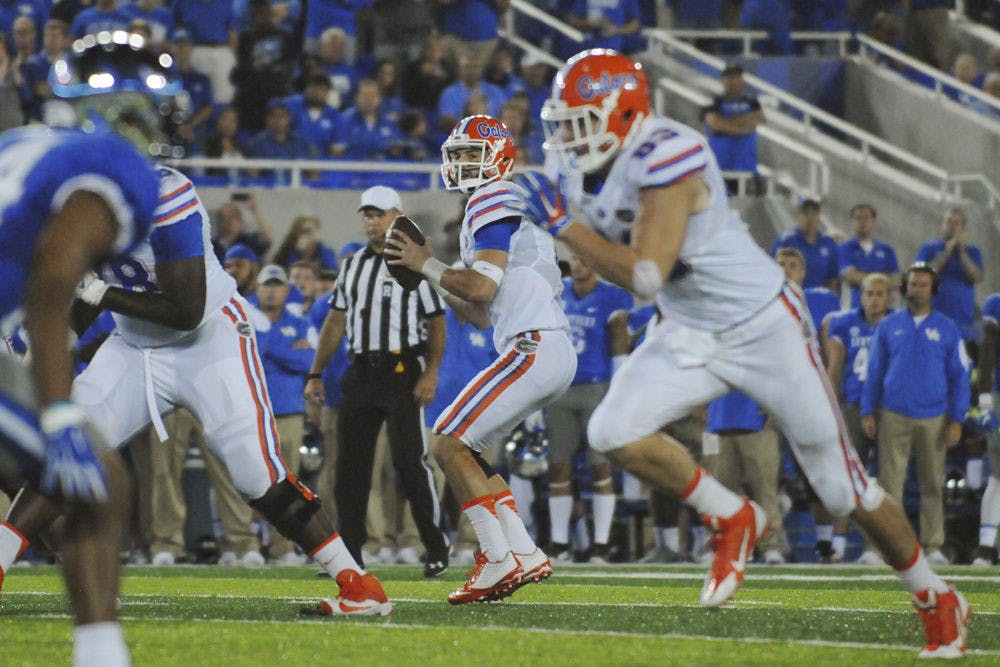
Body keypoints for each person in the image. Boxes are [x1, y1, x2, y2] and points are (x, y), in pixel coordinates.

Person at [518, 49, 969, 657]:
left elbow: (647, 275)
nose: (569, 136)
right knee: (612, 429)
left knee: (844, 491)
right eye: (563, 122)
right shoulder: (583, 166)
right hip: (689, 331)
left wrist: (561, 226)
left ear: (623, 113)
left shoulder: (667, 155)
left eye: (580, 120)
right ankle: (732, 516)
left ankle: (935, 596)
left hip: (763, 331)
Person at [0, 93, 393, 619]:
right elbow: (79, 300)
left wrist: (98, 294)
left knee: (258, 476)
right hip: (134, 344)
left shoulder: (166, 195)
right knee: (66, 449)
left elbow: (184, 309)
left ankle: (358, 585)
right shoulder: (68, 203)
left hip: (209, 339)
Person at [0, 34, 167, 667]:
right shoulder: (114, 167)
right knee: (100, 482)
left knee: (103, 480)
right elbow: (51, 282)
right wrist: (62, 409)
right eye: (144, 109)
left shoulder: (23, 142)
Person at [384, 114, 576, 604]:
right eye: (460, 155)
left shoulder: (494, 196)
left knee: (446, 440)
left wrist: (426, 262)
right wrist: (428, 269)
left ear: (498, 156)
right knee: (463, 448)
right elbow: (479, 313)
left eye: (474, 153)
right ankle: (524, 551)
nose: (465, 164)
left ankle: (495, 557)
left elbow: (481, 285)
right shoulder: (492, 206)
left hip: (534, 345)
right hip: (535, 344)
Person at [304, 185, 451, 578]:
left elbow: (437, 323)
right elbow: (335, 322)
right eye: (367, 214)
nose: (372, 221)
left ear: (397, 216)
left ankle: (435, 547)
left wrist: (431, 372)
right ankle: (350, 552)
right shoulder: (351, 265)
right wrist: (316, 372)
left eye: (379, 214)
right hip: (362, 372)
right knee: (350, 468)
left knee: (409, 463)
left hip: (404, 370)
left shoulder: (415, 262)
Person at [861, 263, 970, 567]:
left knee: (932, 484)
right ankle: (880, 548)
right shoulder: (888, 325)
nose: (916, 289)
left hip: (935, 416)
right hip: (893, 413)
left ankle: (933, 545)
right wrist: (868, 409)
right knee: (888, 485)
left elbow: (961, 375)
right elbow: (874, 370)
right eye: (911, 284)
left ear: (933, 290)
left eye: (922, 285)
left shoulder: (948, 328)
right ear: (904, 288)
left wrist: (957, 418)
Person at [547, 254, 632, 564]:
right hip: (560, 386)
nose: (579, 264)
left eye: (584, 260)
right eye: (575, 260)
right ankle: (559, 543)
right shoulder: (557, 291)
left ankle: (601, 543)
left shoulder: (612, 296)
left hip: (596, 388)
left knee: (601, 467)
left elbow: (619, 343)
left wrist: (619, 393)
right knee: (558, 467)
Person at [824, 272, 892, 564]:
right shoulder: (845, 323)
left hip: (888, 407)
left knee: (886, 480)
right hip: (853, 404)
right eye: (869, 293)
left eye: (879, 294)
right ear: (860, 295)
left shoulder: (896, 324)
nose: (874, 299)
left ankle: (875, 548)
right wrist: (830, 404)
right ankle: (837, 544)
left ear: (888, 297)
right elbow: (835, 368)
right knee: (848, 476)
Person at [254, 264, 316, 564]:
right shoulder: (247, 318)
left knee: (287, 485)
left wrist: (269, 348)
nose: (271, 290)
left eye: (277, 285)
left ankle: (282, 548)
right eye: (266, 284)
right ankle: (243, 547)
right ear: (258, 288)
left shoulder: (300, 322)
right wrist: (288, 350)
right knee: (247, 482)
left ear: (286, 290)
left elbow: (308, 361)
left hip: (289, 414)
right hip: (253, 413)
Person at [915, 207, 984, 342]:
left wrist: (962, 253)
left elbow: (976, 277)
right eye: (948, 222)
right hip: (932, 319)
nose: (952, 227)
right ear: (942, 225)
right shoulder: (928, 249)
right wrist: (947, 251)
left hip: (962, 322)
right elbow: (923, 275)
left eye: (956, 223)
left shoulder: (973, 252)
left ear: (963, 228)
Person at [972, 291, 1000, 566]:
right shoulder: (996, 304)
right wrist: (985, 399)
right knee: (998, 474)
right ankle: (986, 547)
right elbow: (988, 350)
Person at [838, 203, 899, 309]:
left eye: (866, 218)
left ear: (873, 221)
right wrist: (882, 281)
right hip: (854, 310)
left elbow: (896, 280)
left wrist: (863, 277)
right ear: (852, 222)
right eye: (858, 218)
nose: (862, 222)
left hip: (883, 311)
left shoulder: (887, 250)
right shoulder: (845, 248)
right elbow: (851, 276)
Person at [771, 199, 840, 291]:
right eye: (805, 213)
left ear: (819, 218)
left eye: (813, 214)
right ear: (798, 216)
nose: (809, 218)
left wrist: (830, 300)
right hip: (791, 297)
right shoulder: (786, 240)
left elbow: (833, 278)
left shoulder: (828, 243)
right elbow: (773, 269)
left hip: (817, 299)